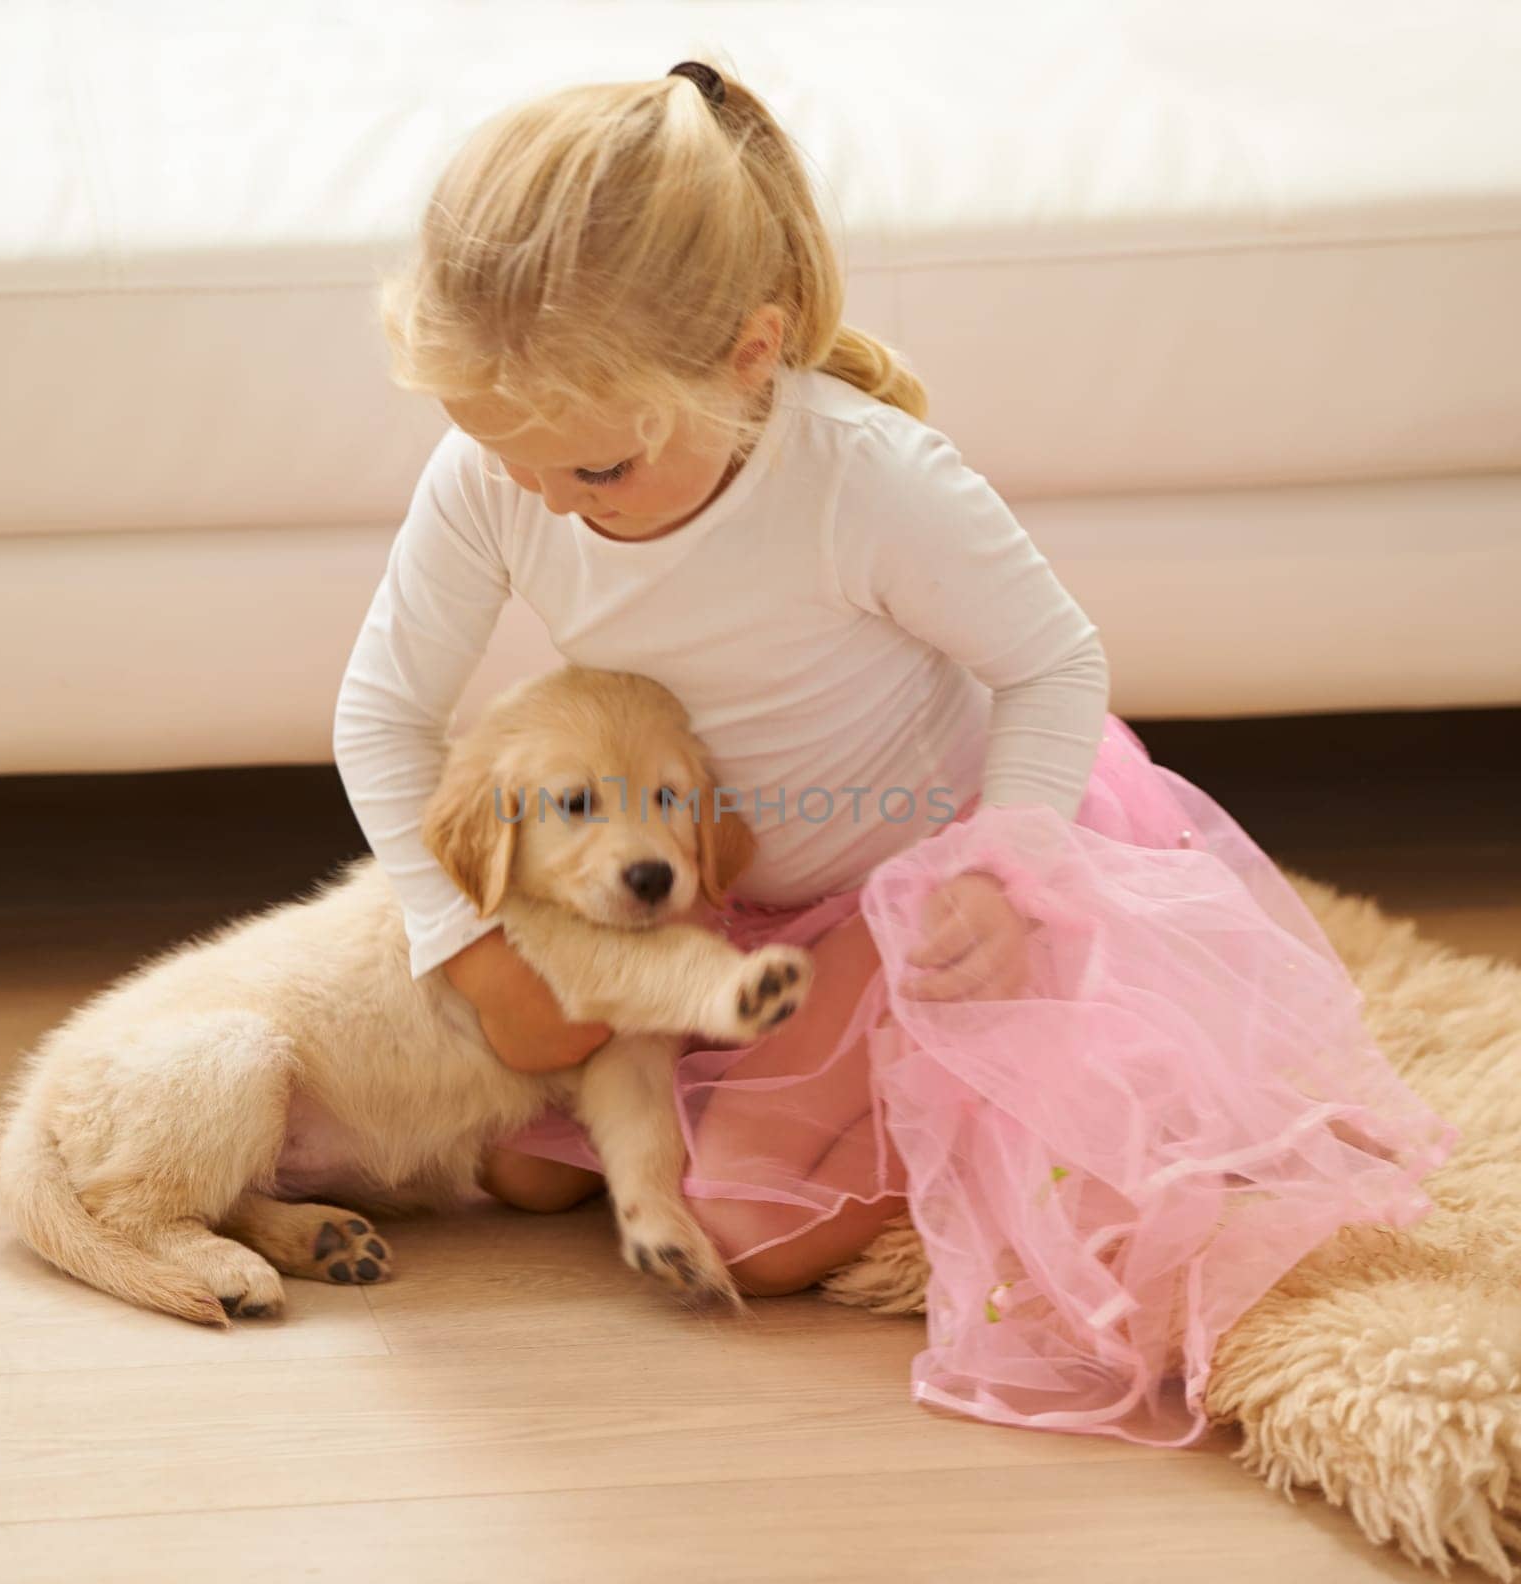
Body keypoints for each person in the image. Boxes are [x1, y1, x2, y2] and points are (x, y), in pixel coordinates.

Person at [333, 61, 1452, 1445]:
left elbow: (1052, 665)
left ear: (750, 357)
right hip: (707, 879)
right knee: (529, 1170)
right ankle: (766, 1061)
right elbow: (380, 713)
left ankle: (942, 1085)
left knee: (742, 1225)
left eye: (595, 473)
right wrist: (465, 944)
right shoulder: (510, 470)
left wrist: (1007, 868)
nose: (544, 503)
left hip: (916, 874)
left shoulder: (866, 481)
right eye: (504, 459)